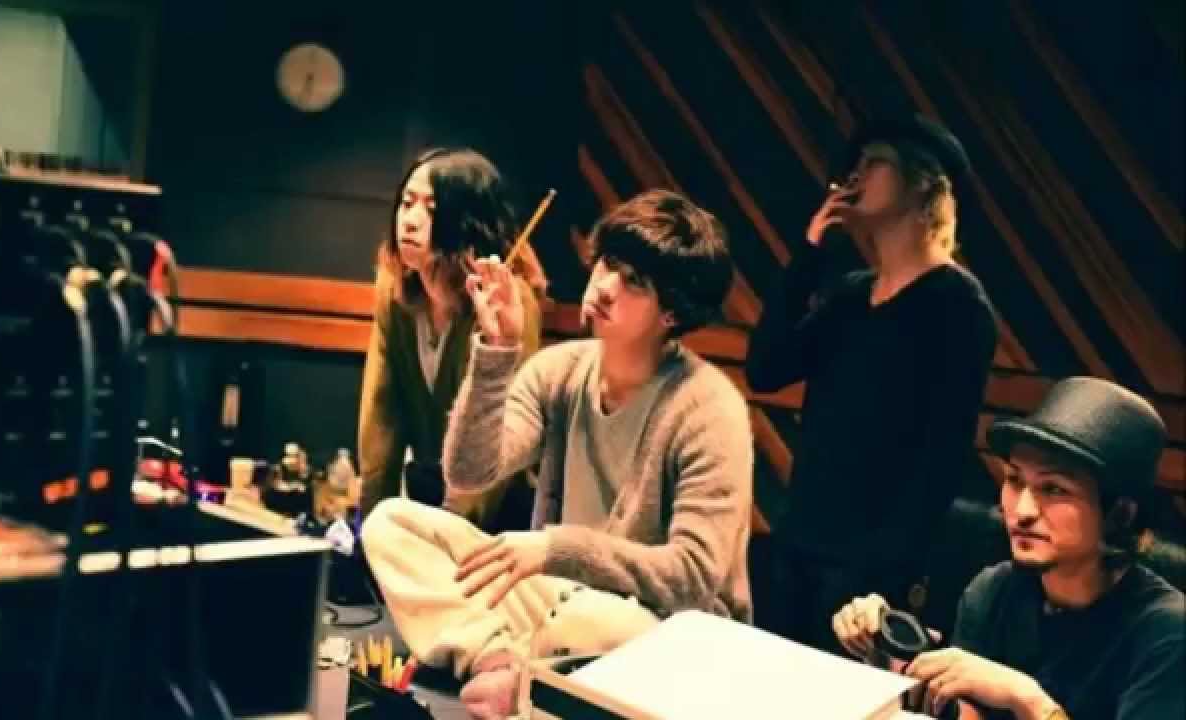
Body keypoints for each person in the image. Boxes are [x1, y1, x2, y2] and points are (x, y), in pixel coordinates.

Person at [361, 190, 753, 720]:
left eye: (634, 282)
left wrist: (555, 550)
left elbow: (692, 575)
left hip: (663, 626)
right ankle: (502, 662)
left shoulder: (709, 408)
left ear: (672, 314)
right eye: (608, 264)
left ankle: (527, 669)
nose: (605, 287)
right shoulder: (560, 371)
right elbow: (469, 472)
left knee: (594, 622)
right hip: (558, 594)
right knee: (392, 525)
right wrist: (496, 351)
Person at [746, 115, 998, 654]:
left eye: (874, 162)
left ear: (922, 183)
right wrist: (810, 252)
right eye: (854, 165)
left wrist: (883, 576)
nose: (854, 175)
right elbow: (765, 369)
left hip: (867, 571)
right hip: (800, 541)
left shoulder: (958, 305)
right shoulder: (851, 295)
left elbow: (940, 460)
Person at [833, 377, 1185, 719]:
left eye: (1055, 489)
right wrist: (891, 662)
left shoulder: (1167, 633)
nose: (1022, 511)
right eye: (1014, 480)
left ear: (1121, 514)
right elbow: (969, 714)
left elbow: (1019, 698)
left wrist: (1028, 700)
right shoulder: (993, 590)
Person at [357, 148, 547, 528]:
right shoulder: (393, 292)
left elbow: (496, 428)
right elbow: (381, 415)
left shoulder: (507, 300)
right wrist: (371, 519)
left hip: (494, 513)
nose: (410, 220)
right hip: (425, 491)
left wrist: (453, 525)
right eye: (406, 203)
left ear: (466, 220)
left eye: (431, 208)